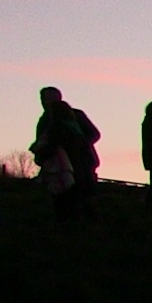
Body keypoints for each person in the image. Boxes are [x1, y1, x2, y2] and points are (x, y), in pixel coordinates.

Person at [33, 87, 101, 220]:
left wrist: (78, 145)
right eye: (43, 99)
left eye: (46, 99)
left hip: (80, 163)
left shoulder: (76, 116)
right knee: (64, 199)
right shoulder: (45, 120)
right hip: (59, 166)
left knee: (84, 197)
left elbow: (94, 134)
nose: (44, 102)